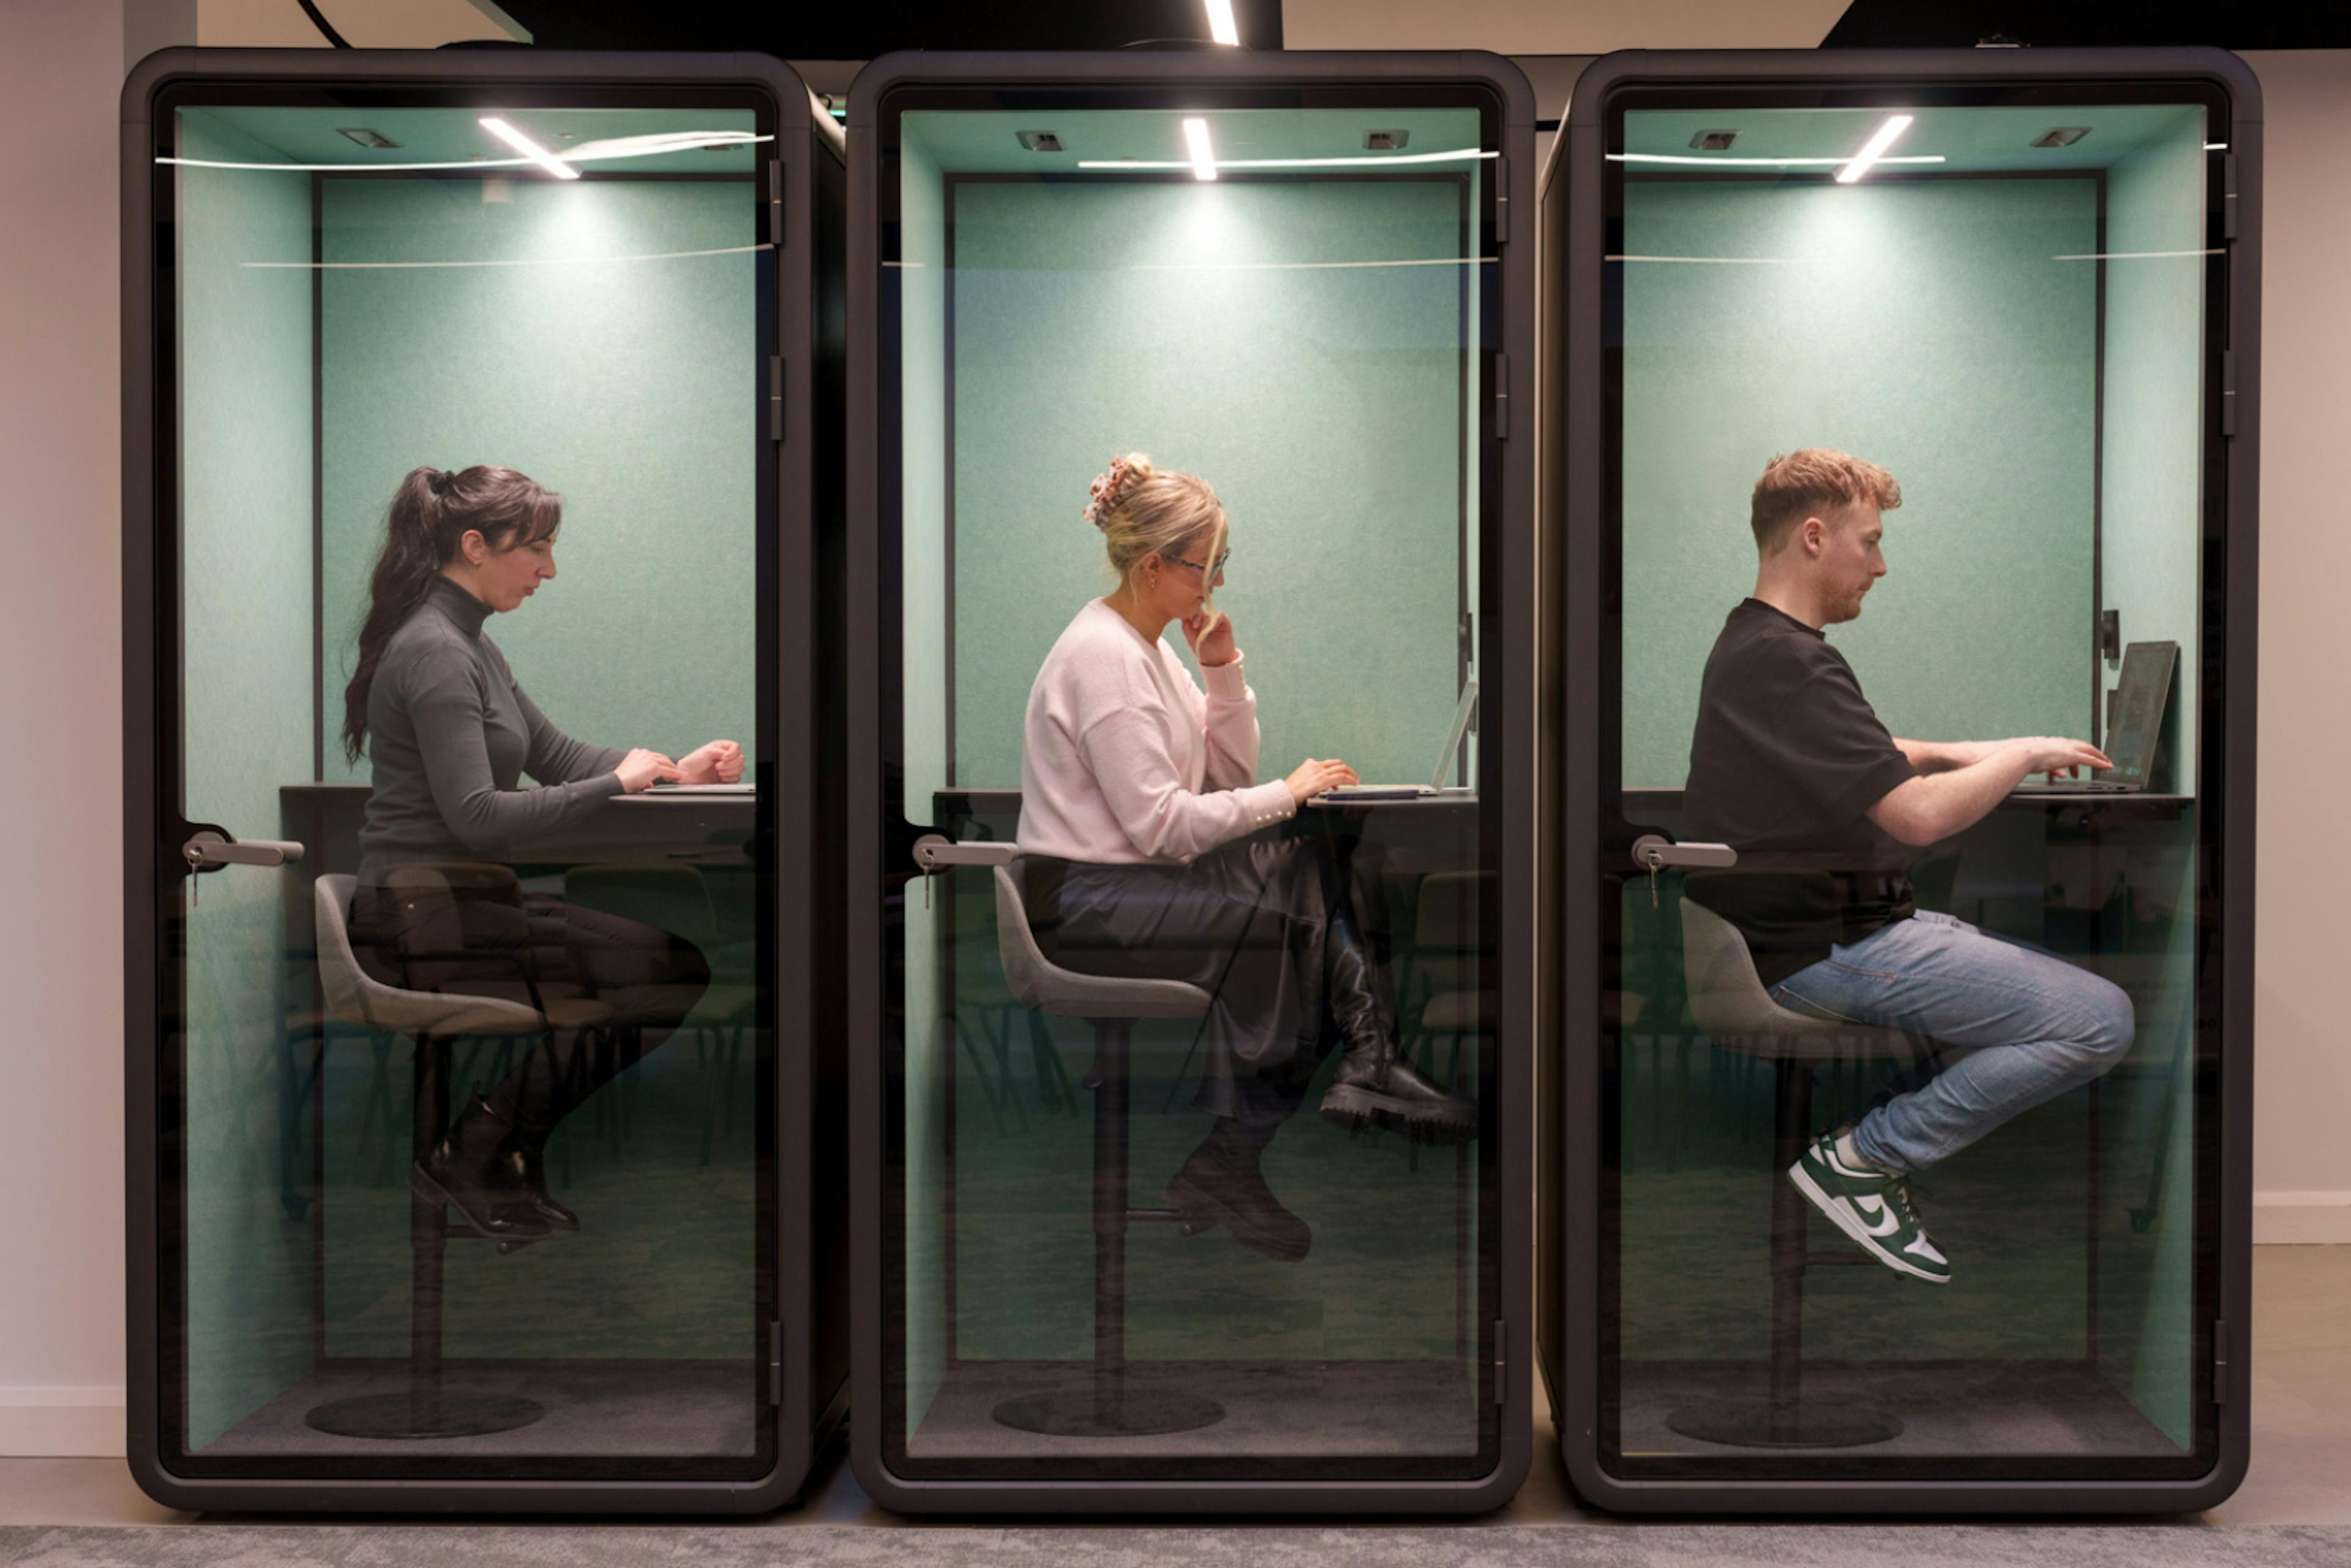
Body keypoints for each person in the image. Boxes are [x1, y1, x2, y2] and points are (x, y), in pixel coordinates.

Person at [1682, 448, 2136, 1285]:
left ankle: (1879, 1145)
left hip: (1820, 935)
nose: (1881, 565)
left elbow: (1870, 750)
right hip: (1830, 949)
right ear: (1814, 537)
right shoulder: (1791, 661)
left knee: (2019, 993)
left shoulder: (1755, 643)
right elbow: (1917, 819)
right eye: (1871, 541)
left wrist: (1979, 750)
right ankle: (1861, 1160)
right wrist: (2028, 751)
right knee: (2097, 1019)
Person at [1014, 453, 1475, 1266]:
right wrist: (1287, 793)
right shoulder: (1106, 659)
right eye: (1207, 567)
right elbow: (1164, 826)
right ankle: (1284, 1120)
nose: (1215, 585)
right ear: (1154, 564)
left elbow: (1222, 775)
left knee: (1313, 880)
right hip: (1087, 904)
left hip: (1130, 887)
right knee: (1295, 913)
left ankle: (1343, 1080)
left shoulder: (1147, 649)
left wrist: (1222, 671)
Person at [340, 464, 744, 1244]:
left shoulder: (470, 646)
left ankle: (495, 1149)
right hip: (419, 918)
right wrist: (621, 786)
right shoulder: (434, 650)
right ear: (474, 545)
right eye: (538, 549)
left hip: (461, 906)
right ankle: (480, 1146)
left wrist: (666, 770)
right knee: (666, 969)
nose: (549, 570)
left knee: (668, 967)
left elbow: (557, 755)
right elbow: (482, 820)